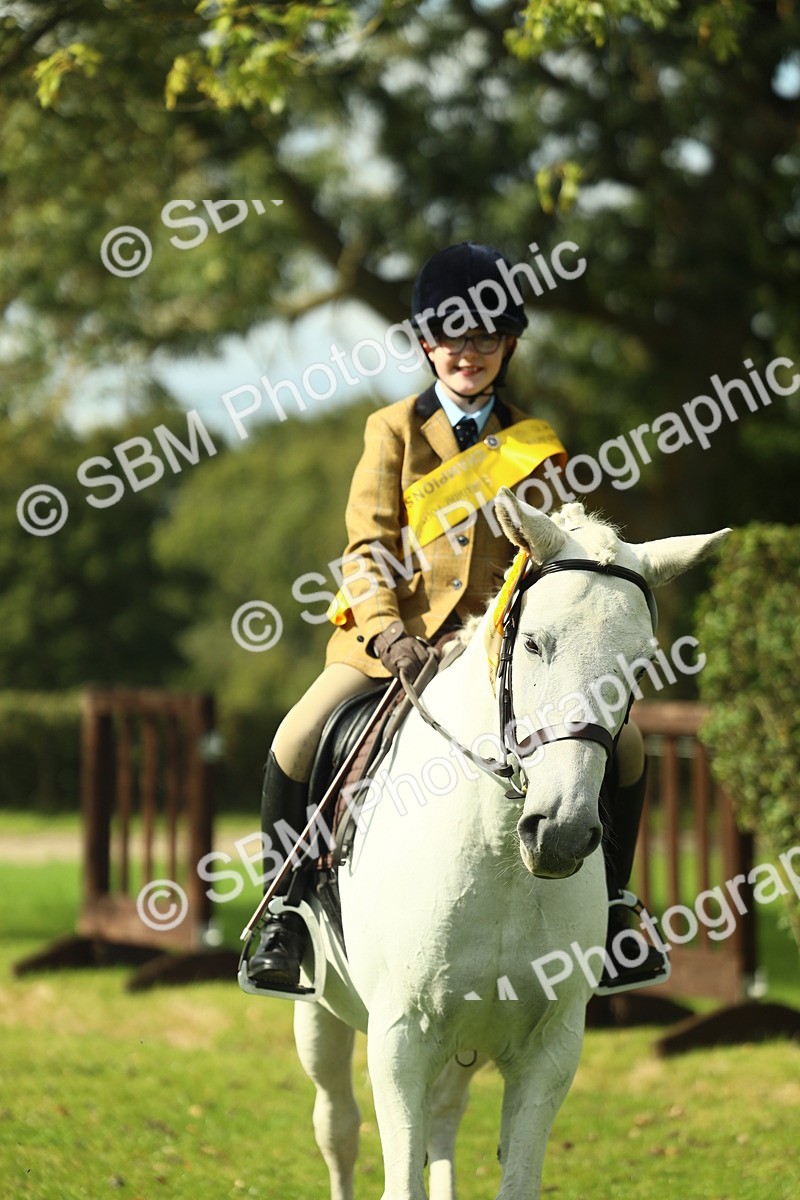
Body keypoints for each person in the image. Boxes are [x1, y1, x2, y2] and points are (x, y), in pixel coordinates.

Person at [247, 241, 666, 995]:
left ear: (506, 345)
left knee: (627, 744)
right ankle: (284, 909)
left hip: (492, 648)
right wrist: (388, 632)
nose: (468, 354)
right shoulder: (392, 430)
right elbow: (366, 547)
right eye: (453, 337)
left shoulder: (533, 447)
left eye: (485, 338)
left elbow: (552, 560)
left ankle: (613, 909)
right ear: (425, 344)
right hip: (388, 643)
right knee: (298, 733)